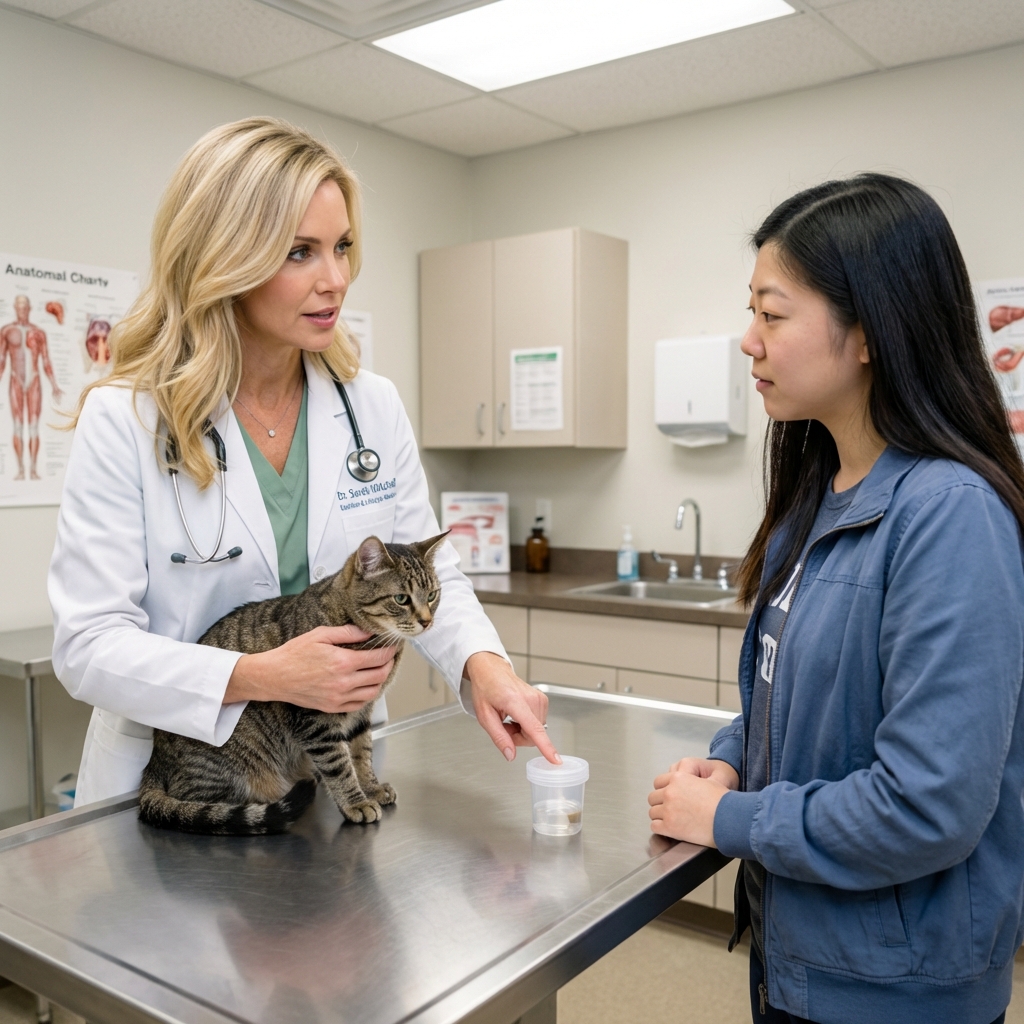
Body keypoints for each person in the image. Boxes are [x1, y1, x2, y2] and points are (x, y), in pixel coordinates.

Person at [49, 116, 559, 807]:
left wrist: (484, 665)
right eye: (301, 253)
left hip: (329, 767)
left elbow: (436, 571)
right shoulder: (127, 419)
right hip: (184, 780)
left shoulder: (368, 406)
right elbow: (88, 646)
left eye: (343, 247)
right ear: (220, 258)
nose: (338, 279)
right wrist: (259, 674)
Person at [647, 174, 1024, 1024]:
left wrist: (734, 817)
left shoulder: (950, 515)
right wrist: (733, 757)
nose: (748, 341)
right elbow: (794, 700)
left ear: (867, 333)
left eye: (772, 315)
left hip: (897, 992)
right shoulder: (819, 498)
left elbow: (928, 805)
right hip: (803, 955)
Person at [0, 294, 64, 479]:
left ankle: (34, 469)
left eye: (24, 306)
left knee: (34, 426)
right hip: (16, 380)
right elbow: (2, 359)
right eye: (19, 306)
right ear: (15, 307)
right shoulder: (6, 331)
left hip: (34, 380)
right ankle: (21, 469)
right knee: (18, 426)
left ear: (29, 308)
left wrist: (54, 385)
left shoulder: (39, 333)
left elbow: (46, 359)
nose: (22, 310)